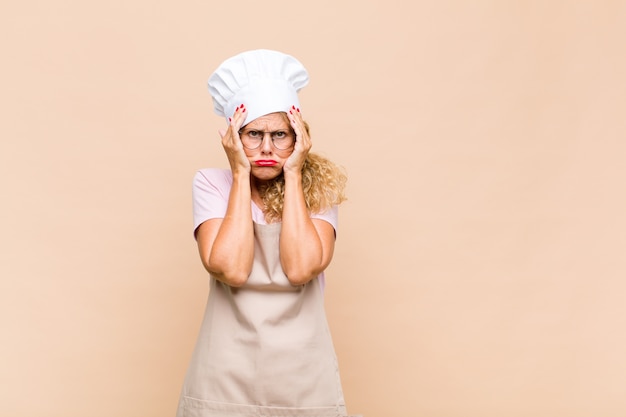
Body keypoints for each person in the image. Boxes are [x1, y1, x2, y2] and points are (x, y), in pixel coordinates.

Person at [176, 50, 356, 417]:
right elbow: (232, 269)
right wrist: (240, 175)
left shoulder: (318, 191)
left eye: (280, 135)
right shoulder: (212, 183)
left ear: (298, 140)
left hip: (304, 374)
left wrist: (294, 175)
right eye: (253, 135)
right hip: (224, 372)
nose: (267, 149)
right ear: (233, 138)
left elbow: (301, 268)